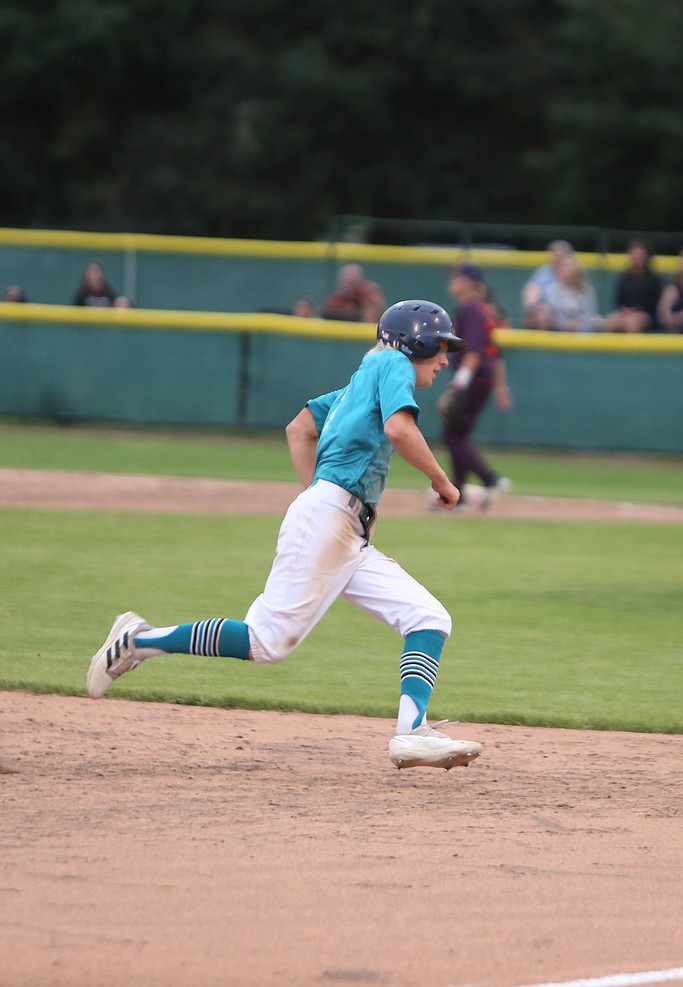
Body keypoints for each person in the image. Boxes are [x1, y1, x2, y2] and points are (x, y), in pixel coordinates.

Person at [85, 300, 484, 771]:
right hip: (332, 520)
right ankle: (140, 639)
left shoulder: (360, 382)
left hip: (343, 530)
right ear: (412, 342)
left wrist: (319, 496)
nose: (443, 359)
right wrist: (441, 481)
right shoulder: (392, 361)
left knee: (427, 618)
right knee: (266, 642)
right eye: (439, 348)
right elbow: (399, 429)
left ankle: (410, 732)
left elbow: (299, 428)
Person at [439, 263, 513, 507]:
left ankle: (490, 480)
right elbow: (496, 354)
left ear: (469, 281)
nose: (452, 282)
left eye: (456, 277)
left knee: (452, 436)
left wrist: (456, 387)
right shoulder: (479, 308)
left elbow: (474, 353)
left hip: (473, 379)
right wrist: (500, 387)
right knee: (457, 435)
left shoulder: (471, 308)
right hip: (481, 379)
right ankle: (458, 496)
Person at [604, 239, 663, 333]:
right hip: (625, 312)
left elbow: (655, 303)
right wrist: (625, 309)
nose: (636, 257)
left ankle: (634, 347)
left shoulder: (653, 278)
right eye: (634, 253)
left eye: (640, 254)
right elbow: (618, 300)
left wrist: (636, 310)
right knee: (612, 321)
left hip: (646, 314)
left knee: (631, 322)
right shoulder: (624, 277)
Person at [521, 239, 575, 330]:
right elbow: (532, 293)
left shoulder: (574, 272)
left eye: (560, 251)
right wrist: (533, 308)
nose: (557, 255)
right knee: (542, 314)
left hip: (570, 313)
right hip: (548, 312)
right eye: (553, 251)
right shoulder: (543, 272)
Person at [543, 254, 601, 332]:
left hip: (583, 329)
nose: (566, 271)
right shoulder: (551, 289)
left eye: (569, 268)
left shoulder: (587, 289)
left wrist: (579, 323)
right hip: (558, 329)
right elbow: (552, 313)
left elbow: (590, 312)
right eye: (563, 268)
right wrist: (565, 324)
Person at [321, 263, 386, 322]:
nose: (349, 284)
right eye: (347, 281)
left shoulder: (369, 292)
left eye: (353, 280)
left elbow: (376, 308)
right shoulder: (337, 298)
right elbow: (328, 311)